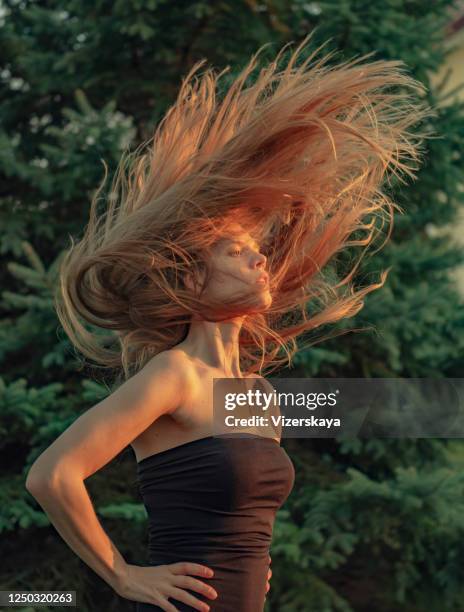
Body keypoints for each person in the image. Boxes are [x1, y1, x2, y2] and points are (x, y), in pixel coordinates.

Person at [25, 33, 431, 611]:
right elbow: (52, 474)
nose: (259, 258)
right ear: (192, 281)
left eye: (255, 249)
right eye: (235, 251)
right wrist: (125, 576)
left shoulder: (257, 396)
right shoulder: (175, 376)